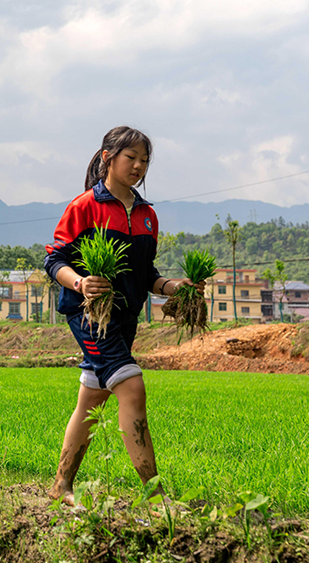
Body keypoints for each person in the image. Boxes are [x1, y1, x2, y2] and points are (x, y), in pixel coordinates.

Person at [43, 126, 205, 505]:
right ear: (107, 158)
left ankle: (60, 486)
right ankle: (155, 495)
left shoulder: (148, 215)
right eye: (130, 158)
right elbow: (55, 260)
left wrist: (172, 288)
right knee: (131, 386)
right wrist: (81, 283)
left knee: (92, 399)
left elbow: (145, 274)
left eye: (144, 160)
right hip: (90, 316)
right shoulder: (85, 206)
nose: (138, 166)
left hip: (126, 317)